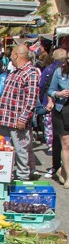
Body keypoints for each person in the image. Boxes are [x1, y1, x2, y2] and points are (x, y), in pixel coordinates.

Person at [0, 42, 40, 181]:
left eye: (11, 54)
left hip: (17, 120)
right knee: (5, 149)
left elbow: (31, 99)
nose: (10, 57)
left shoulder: (31, 72)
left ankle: (23, 176)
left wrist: (23, 118)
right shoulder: (15, 72)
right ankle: (5, 174)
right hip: (6, 118)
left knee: (21, 149)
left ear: (16, 55)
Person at [48, 49, 69, 185]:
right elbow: (50, 90)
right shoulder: (59, 72)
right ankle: (68, 177)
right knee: (66, 144)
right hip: (62, 109)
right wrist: (59, 94)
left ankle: (62, 170)